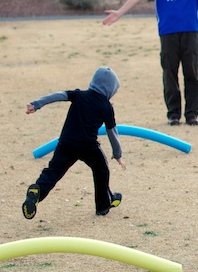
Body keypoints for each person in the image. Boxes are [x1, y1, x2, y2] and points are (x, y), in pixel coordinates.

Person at [22, 66, 126, 219]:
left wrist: (36, 104)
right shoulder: (106, 106)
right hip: (88, 146)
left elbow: (58, 95)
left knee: (54, 171)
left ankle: (38, 192)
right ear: (111, 89)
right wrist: (117, 154)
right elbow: (112, 132)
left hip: (66, 142)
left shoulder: (79, 95)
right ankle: (103, 205)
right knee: (101, 169)